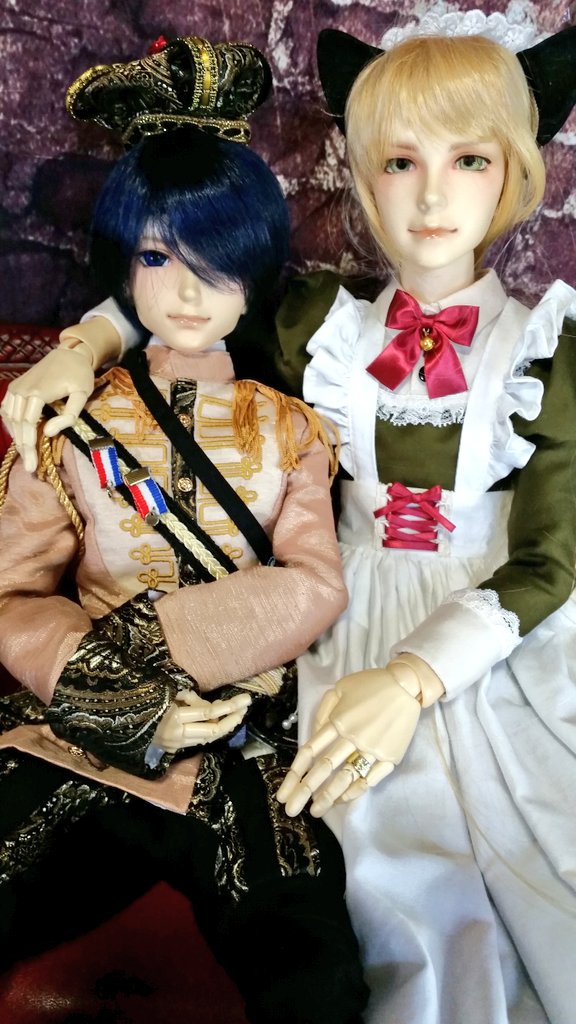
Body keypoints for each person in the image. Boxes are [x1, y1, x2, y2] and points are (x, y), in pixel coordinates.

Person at [4, 17, 576, 1024]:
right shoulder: (321, 322)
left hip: (490, 627)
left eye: (470, 160)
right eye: (399, 161)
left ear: (516, 171)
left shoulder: (548, 347)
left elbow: (552, 557)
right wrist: (78, 349)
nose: (432, 197)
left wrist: (412, 678)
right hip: (343, 618)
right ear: (361, 170)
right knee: (387, 878)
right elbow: (184, 289)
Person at [0, 37, 368, 1024]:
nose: (190, 291)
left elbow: (315, 582)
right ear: (126, 266)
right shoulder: (73, 424)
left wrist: (164, 647)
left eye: (219, 262)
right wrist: (114, 692)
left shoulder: (293, 428)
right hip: (82, 734)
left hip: (238, 745)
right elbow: (15, 595)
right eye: (159, 257)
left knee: (312, 969)